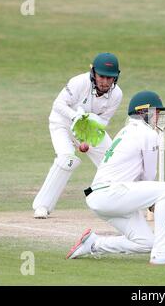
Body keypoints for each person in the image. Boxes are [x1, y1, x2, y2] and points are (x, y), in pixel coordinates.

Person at [65, 90, 165, 265]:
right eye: (156, 112)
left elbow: (141, 180)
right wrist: (158, 204)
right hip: (111, 194)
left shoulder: (126, 131)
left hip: (102, 197)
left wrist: (158, 205)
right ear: (143, 112)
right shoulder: (148, 134)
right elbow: (149, 176)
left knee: (146, 242)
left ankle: (93, 244)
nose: (158, 117)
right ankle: (163, 252)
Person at [32, 53, 123, 219]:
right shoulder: (79, 82)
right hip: (63, 124)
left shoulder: (117, 94)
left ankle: (122, 203)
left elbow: (103, 121)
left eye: (110, 78)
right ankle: (42, 206)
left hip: (88, 129)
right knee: (67, 159)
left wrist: (85, 139)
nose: (105, 82)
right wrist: (75, 118)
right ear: (93, 72)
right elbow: (58, 104)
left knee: (112, 159)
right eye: (102, 76)